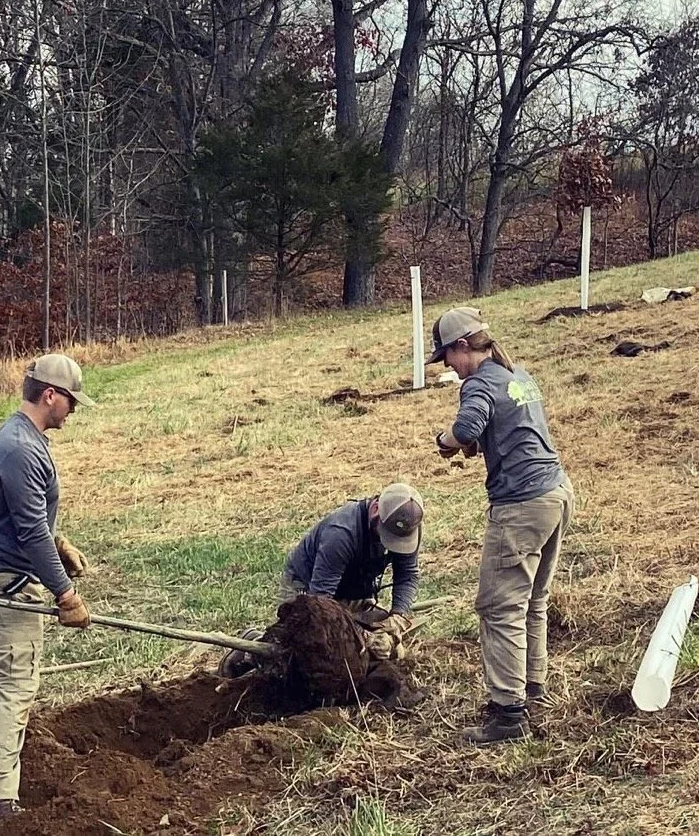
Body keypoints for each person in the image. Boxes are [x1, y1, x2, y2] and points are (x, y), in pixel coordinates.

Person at [429, 306, 574, 745]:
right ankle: (534, 692)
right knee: (532, 601)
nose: (450, 368)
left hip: (522, 505)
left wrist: (447, 443)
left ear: (461, 347)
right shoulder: (517, 374)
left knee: (499, 606)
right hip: (557, 492)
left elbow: (466, 426)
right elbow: (508, 429)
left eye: (448, 358)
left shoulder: (479, 383)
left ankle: (508, 715)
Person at [0, 354, 96, 822]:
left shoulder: (21, 439)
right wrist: (66, 595)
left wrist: (58, 543)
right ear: (50, 395)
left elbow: (27, 519)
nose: (73, 410)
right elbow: (28, 531)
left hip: (8, 575)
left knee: (17, 685)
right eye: (71, 400)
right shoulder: (20, 448)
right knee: (14, 688)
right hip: (3, 583)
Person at [219, 483, 426, 678]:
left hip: (352, 589)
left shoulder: (408, 527)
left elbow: (407, 574)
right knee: (304, 654)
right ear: (375, 511)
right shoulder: (341, 534)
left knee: (384, 650)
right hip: (308, 590)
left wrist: (397, 618)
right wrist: (363, 637)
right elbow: (318, 606)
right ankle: (251, 649)